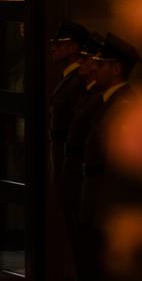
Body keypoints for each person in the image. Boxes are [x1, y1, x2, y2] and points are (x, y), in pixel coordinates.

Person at [80, 32, 141, 281]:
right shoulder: (106, 98)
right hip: (97, 189)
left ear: (116, 69)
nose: (94, 67)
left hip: (107, 193)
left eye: (101, 64)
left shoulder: (124, 103)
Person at [61, 31, 103, 281]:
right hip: (76, 169)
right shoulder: (85, 89)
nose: (86, 64)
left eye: (92, 60)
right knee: (79, 236)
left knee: (88, 240)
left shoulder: (101, 97)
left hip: (88, 175)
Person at [49, 21, 89, 186]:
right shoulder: (70, 78)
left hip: (70, 157)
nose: (53, 48)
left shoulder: (78, 80)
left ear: (73, 47)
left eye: (59, 44)